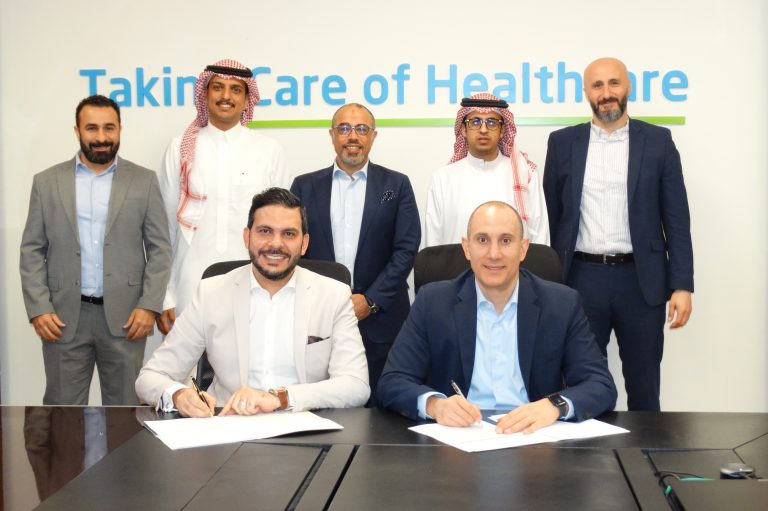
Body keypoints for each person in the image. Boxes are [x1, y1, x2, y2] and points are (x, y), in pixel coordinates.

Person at [378, 201, 615, 433]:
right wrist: (435, 405)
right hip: (459, 438)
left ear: (523, 248)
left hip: (533, 437)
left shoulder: (561, 304)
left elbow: (600, 384)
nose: (494, 254)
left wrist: (554, 406)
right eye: (482, 240)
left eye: (506, 241)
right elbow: (392, 381)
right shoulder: (433, 302)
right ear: (467, 247)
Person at [136, 188, 370, 417]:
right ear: (247, 237)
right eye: (265, 231)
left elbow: (356, 385)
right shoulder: (211, 293)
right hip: (228, 426)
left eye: (289, 234)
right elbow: (150, 377)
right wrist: (178, 395)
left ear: (304, 243)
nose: (276, 244)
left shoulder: (333, 295)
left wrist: (281, 398)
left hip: (305, 426)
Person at [543, 57, 694, 411]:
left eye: (614, 83)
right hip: (580, 280)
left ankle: (646, 448)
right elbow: (550, 217)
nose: (606, 93)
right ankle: (588, 448)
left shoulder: (657, 141)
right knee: (582, 385)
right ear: (586, 92)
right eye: (597, 85)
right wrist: (548, 285)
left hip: (641, 282)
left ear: (628, 87)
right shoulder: (562, 143)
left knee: (644, 386)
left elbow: (676, 219)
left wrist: (682, 285)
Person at [20, 95, 171, 405]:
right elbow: (32, 250)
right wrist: (39, 308)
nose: (101, 137)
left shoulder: (143, 181)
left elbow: (160, 248)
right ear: (77, 131)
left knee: (126, 412)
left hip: (127, 319)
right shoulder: (47, 182)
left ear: (119, 129)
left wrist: (149, 305)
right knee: (63, 413)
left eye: (109, 128)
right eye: (92, 128)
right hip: (62, 319)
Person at [290, 103, 420, 402]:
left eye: (362, 129)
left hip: (382, 319)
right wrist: (326, 299)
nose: (353, 136)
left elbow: (406, 248)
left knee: (384, 406)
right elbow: (294, 248)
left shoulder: (396, 185)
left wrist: (370, 301)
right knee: (320, 403)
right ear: (331, 135)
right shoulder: (304, 186)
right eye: (344, 129)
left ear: (373, 136)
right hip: (318, 317)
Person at [157, 58, 291, 335]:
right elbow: (163, 227)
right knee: (191, 362)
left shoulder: (269, 150)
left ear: (247, 100)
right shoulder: (179, 148)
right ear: (205, 94)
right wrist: (166, 295)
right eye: (218, 87)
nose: (226, 96)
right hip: (189, 286)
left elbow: (283, 229)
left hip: (255, 287)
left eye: (236, 89)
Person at [425, 92, 549, 247]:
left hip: (513, 264)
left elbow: (540, 236)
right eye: (475, 122)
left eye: (492, 122)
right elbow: (433, 242)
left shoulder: (526, 174)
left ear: (502, 130)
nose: (483, 129)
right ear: (463, 129)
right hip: (455, 263)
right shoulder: (443, 178)